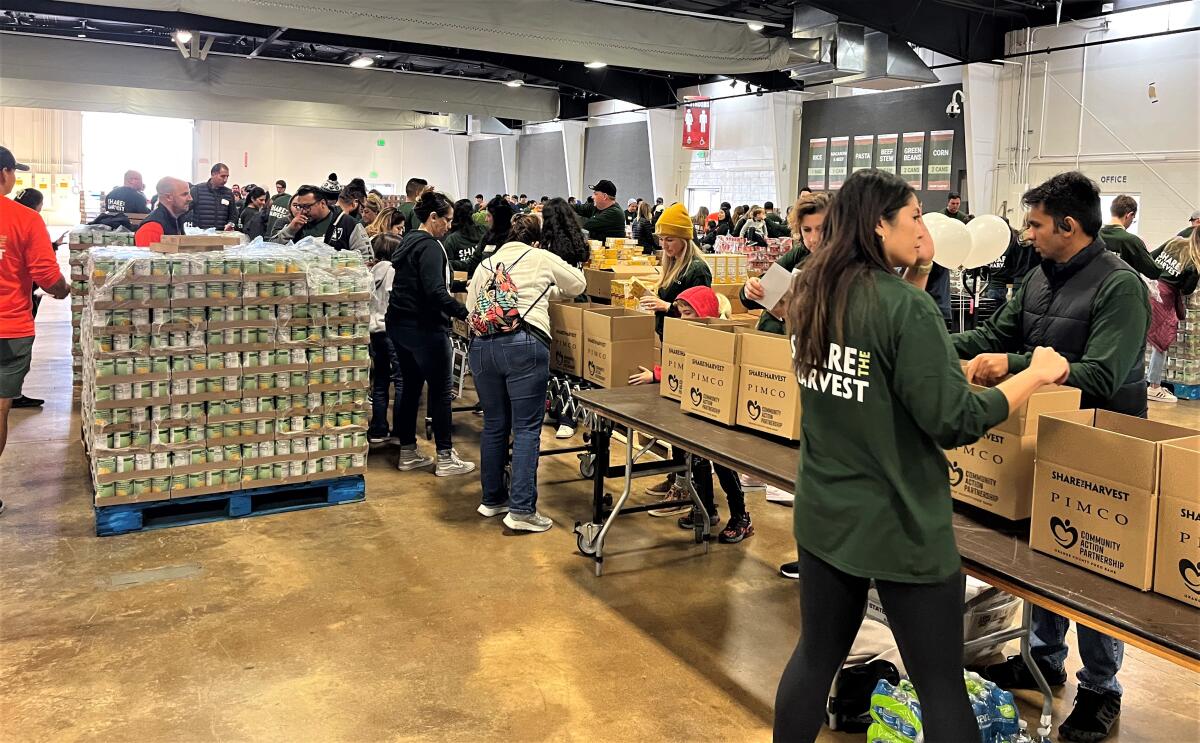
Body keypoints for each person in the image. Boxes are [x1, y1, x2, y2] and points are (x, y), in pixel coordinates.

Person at [773, 168, 1070, 743]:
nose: (922, 227)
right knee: (939, 684)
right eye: (912, 216)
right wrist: (1034, 375)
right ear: (878, 224)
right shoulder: (904, 308)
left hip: (826, 511)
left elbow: (870, 376)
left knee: (815, 657)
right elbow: (954, 419)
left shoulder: (812, 289)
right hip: (900, 520)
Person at [953, 171, 1149, 743]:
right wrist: (920, 341)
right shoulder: (1038, 276)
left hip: (1102, 444)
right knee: (1043, 555)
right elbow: (996, 331)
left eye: (1035, 224)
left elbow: (1105, 374)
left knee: (1093, 566)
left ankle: (1100, 690)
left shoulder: (1120, 287)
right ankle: (1044, 658)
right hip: (1040, 435)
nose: (1026, 233)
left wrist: (1014, 367)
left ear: (1068, 225)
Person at [466, 214, 585, 532]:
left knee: (493, 425)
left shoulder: (487, 263)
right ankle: (521, 510)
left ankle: (492, 500)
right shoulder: (541, 257)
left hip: (482, 347)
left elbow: (469, 307)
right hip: (525, 345)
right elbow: (578, 284)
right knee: (527, 428)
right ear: (536, 240)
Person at [628, 285, 755, 543]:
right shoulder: (685, 334)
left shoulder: (722, 337)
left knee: (722, 464)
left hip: (718, 415)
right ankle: (705, 508)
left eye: (690, 313)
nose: (684, 319)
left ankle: (741, 517)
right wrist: (659, 374)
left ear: (706, 313)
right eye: (682, 313)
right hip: (693, 409)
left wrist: (657, 375)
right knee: (696, 461)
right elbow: (678, 365)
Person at [1, 146, 72, 514]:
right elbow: (46, 275)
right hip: (8, 326)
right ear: (4, 174)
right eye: (14, 172)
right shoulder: (24, 218)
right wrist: (62, 289)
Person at [386, 191, 475, 477]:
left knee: (410, 389)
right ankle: (446, 457)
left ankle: (408, 451)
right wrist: (465, 314)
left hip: (399, 326)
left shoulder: (408, 240)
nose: (449, 226)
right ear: (432, 217)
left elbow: (420, 283)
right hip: (425, 329)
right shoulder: (432, 247)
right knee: (440, 393)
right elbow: (435, 292)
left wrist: (459, 288)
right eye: (446, 220)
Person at [636, 202, 714, 506]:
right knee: (673, 419)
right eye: (662, 239)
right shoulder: (672, 265)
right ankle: (680, 474)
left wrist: (665, 307)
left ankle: (687, 483)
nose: (665, 244)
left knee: (684, 422)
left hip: (687, 349)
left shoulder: (697, 269)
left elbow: (700, 313)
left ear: (685, 237)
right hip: (670, 344)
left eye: (670, 239)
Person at [1146, 229, 1199, 403]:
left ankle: (1128, 380)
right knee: (1161, 341)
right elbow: (1186, 290)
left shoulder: (1175, 243)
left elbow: (1150, 257)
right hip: (1164, 297)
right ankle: (1154, 387)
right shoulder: (1194, 262)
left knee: (1140, 337)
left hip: (1148, 289)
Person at [368, 233, 404, 444]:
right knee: (402, 380)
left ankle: (378, 428)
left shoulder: (371, 271)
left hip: (374, 332)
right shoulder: (393, 271)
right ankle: (400, 430)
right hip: (391, 330)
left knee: (380, 381)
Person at [271, 185, 371, 260]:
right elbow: (271, 251)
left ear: (322, 203)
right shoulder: (295, 223)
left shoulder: (347, 223)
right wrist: (290, 230)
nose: (303, 211)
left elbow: (366, 257)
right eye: (299, 207)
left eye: (307, 207)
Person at [1098, 195, 1159, 279]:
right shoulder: (1131, 241)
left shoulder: (1094, 235)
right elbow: (1153, 272)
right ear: (1129, 215)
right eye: (1133, 219)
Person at [458, 196, 515, 277]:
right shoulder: (487, 236)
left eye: (488, 216)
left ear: (498, 218)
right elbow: (474, 262)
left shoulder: (514, 239)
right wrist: (451, 264)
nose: (485, 219)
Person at [134, 177, 192, 248]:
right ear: (168, 197)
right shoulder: (152, 228)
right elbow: (146, 258)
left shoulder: (176, 220)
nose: (190, 198)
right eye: (184, 194)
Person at [188, 163, 237, 230]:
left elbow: (233, 215)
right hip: (201, 235)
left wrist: (231, 223)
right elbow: (185, 210)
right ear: (213, 174)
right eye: (222, 176)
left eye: (227, 177)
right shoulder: (197, 190)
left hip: (222, 235)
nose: (225, 180)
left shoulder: (229, 193)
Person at [443, 199, 486, 271]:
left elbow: (448, 265)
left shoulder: (451, 239)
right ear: (472, 213)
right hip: (483, 277)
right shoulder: (484, 230)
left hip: (463, 279)